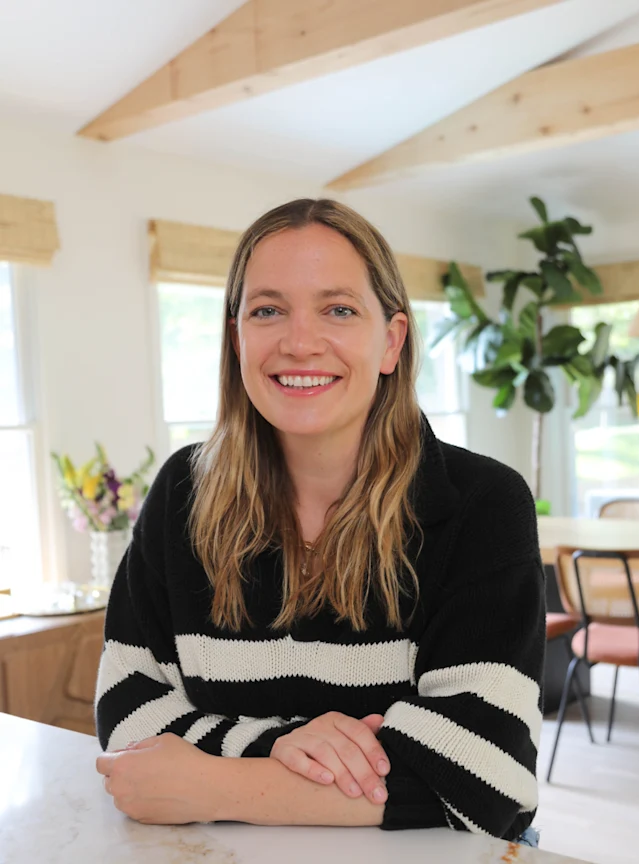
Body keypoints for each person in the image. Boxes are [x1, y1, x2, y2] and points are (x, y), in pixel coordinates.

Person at [92, 199, 544, 846]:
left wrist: (210, 782)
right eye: (267, 310)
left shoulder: (484, 505)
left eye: (338, 310)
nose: (299, 343)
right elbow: (128, 715)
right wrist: (285, 746)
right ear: (236, 338)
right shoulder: (182, 494)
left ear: (391, 341)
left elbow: (485, 776)